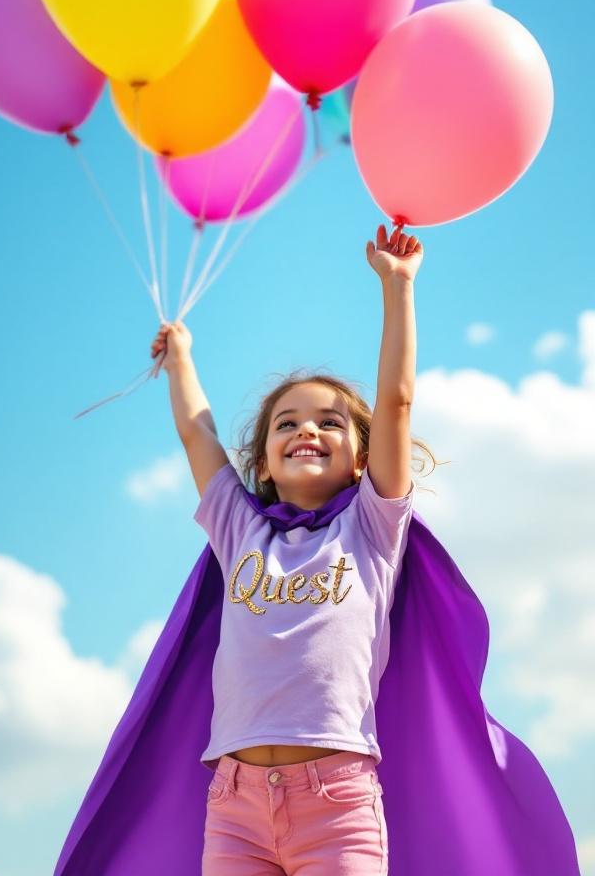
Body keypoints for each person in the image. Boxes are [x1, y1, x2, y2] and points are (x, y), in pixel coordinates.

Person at [149, 222, 432, 875]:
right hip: (235, 807)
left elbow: (396, 402)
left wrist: (398, 287)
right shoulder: (238, 528)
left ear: (362, 459)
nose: (308, 427)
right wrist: (182, 358)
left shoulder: (371, 527)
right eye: (288, 422)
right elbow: (199, 436)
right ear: (266, 464)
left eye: (330, 422)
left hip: (336, 806)